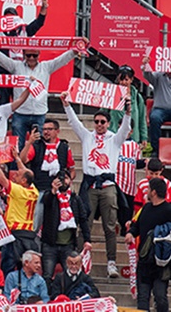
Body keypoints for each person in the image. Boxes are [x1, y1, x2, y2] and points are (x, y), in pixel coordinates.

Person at [63, 90, 130, 278]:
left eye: (103, 122)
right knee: (85, 224)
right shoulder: (87, 136)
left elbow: (125, 129)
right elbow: (74, 123)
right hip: (90, 185)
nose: (99, 125)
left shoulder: (114, 139)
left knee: (110, 226)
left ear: (108, 123)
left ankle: (111, 263)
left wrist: (128, 110)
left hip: (108, 185)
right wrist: (66, 104)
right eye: (97, 121)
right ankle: (79, 261)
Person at [0, 45, 78, 147]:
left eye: (34, 55)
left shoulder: (46, 67)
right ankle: (17, 163)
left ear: (39, 55)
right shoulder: (16, 66)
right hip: (20, 113)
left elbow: (61, 60)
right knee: (17, 146)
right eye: (28, 55)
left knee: (38, 147)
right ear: (24, 55)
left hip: (39, 113)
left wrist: (75, 50)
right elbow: (2, 60)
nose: (31, 58)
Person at [0, 149, 40, 275]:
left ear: (23, 181)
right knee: (26, 270)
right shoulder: (33, 190)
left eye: (17, 175)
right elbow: (27, 174)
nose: (14, 175)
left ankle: (7, 291)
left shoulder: (18, 191)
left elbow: (1, 179)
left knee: (8, 267)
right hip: (29, 234)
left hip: (15, 235)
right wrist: (17, 159)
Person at [21, 120, 76, 231]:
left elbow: (72, 170)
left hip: (58, 191)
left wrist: (68, 180)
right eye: (44, 129)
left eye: (49, 129)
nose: (46, 132)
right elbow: (23, 159)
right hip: (40, 189)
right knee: (37, 221)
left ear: (57, 131)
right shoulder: (37, 145)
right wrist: (29, 142)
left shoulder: (64, 147)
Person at [127, 177, 171, 312]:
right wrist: (130, 234)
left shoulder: (169, 210)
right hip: (144, 262)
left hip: (162, 263)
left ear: (154, 192)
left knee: (160, 297)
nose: (147, 191)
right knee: (143, 298)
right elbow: (137, 226)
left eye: (149, 188)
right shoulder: (145, 208)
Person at [40, 169, 92, 278]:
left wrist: (87, 240)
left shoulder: (75, 199)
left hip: (68, 245)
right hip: (50, 245)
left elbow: (83, 220)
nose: (63, 181)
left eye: (66, 178)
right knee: (47, 275)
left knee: (70, 275)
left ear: (71, 182)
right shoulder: (50, 195)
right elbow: (46, 201)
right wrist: (53, 190)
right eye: (60, 179)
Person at [143, 53, 171, 157]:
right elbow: (148, 76)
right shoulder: (159, 75)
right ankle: (156, 149)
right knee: (154, 118)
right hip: (160, 109)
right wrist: (146, 65)